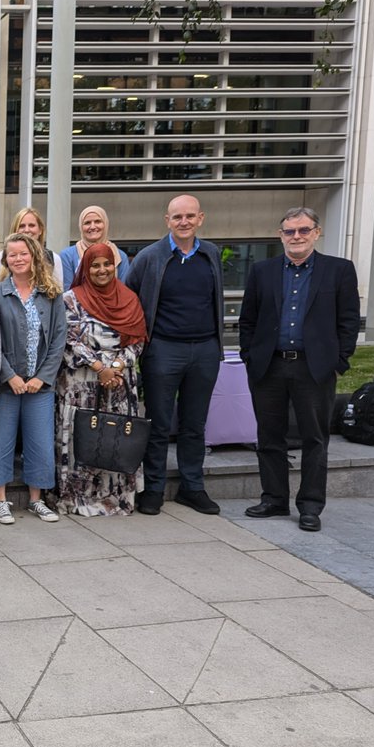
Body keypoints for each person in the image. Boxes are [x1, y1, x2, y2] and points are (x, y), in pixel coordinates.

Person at [239, 207, 360, 533]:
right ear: (281, 235)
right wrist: (249, 356)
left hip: (314, 368)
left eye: (303, 230)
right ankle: (274, 498)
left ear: (316, 233)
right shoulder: (262, 271)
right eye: (290, 231)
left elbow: (348, 320)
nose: (296, 237)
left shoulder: (339, 270)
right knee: (269, 436)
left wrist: (340, 361)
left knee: (315, 439)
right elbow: (248, 319)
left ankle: (309, 506)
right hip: (269, 366)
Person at [124, 194, 225, 516]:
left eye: (190, 216)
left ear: (201, 218)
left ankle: (192, 487)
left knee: (195, 424)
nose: (184, 222)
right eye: (177, 217)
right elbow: (131, 299)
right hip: (164, 349)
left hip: (205, 349)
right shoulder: (150, 256)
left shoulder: (210, 254)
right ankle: (153, 489)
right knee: (158, 422)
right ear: (167, 220)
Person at [55, 243, 148, 516]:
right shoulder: (71, 299)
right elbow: (68, 341)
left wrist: (116, 366)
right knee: (82, 440)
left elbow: (138, 339)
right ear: (86, 268)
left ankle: (115, 499)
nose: (102, 270)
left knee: (116, 439)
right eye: (95, 265)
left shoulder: (129, 298)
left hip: (118, 384)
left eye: (107, 264)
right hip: (81, 385)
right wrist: (100, 367)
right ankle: (77, 498)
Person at [0, 233, 66, 525]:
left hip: (39, 387)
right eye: (12, 255)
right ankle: (1, 500)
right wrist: (10, 376)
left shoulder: (51, 293)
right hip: (7, 385)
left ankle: (36, 500)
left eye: (23, 254)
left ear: (33, 256)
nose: (17, 259)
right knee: (1, 442)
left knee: (40, 443)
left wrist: (42, 378)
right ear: (5, 260)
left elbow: (58, 341)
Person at [59, 205, 132, 290]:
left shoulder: (119, 255)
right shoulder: (68, 256)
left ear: (105, 224)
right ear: (80, 227)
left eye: (97, 221)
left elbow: (124, 289)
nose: (93, 227)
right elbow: (68, 292)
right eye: (87, 223)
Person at [8, 207, 63, 286]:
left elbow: (59, 291)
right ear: (15, 230)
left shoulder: (53, 258)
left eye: (31, 225)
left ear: (40, 230)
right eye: (21, 226)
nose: (27, 230)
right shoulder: (1, 258)